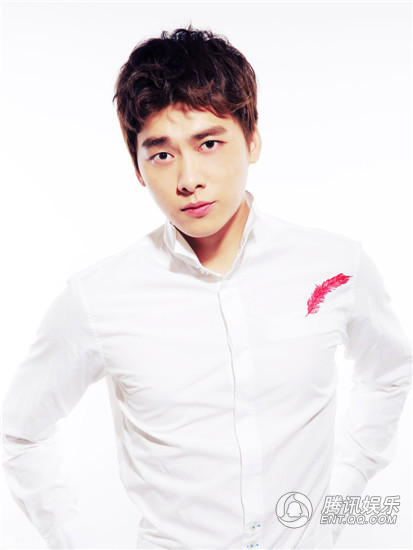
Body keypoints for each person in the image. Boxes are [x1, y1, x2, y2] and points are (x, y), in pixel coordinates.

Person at [2, 24, 412, 550]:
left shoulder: (333, 267)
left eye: (209, 143)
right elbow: (22, 432)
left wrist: (340, 497)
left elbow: (389, 374)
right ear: (137, 167)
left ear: (252, 139)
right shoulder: (98, 298)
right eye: (161, 154)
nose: (188, 179)